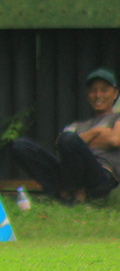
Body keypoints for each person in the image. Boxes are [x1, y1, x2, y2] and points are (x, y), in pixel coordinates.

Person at [10, 67, 120, 203]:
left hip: (100, 176)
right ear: (87, 94)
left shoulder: (117, 118)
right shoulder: (78, 124)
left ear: (115, 94)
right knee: (20, 146)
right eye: (93, 91)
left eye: (104, 90)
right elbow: (60, 146)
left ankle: (74, 193)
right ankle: (66, 193)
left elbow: (115, 140)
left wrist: (80, 142)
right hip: (69, 172)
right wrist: (97, 132)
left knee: (70, 140)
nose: (98, 95)